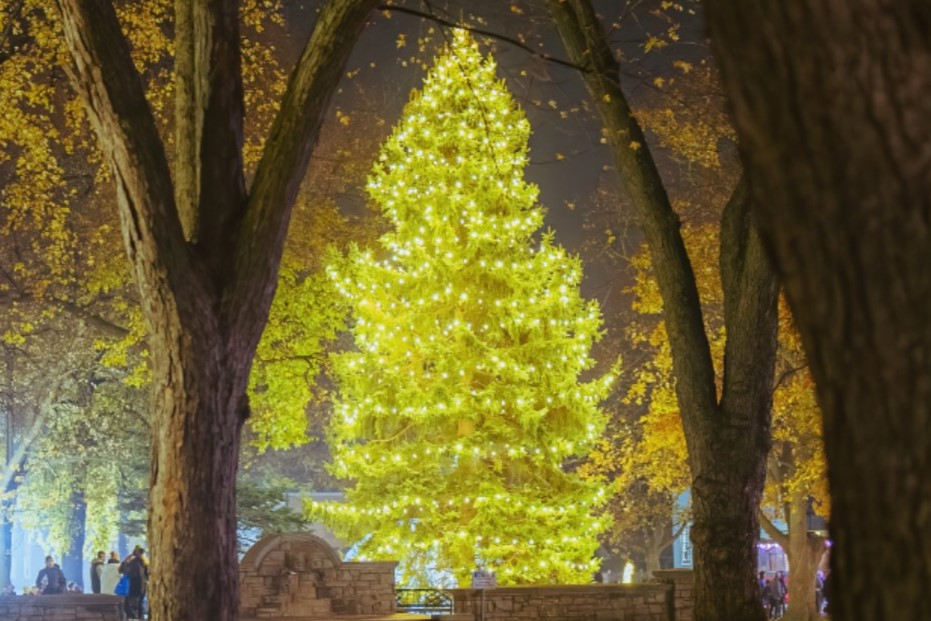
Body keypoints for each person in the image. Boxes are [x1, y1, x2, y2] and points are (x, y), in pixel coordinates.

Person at [120, 545, 149, 620]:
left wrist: (126, 562)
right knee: (140, 605)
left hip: (133, 588)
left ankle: (134, 618)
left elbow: (124, 571)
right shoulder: (145, 563)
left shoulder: (133, 563)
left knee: (129, 605)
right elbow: (147, 575)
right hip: (142, 588)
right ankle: (140, 618)